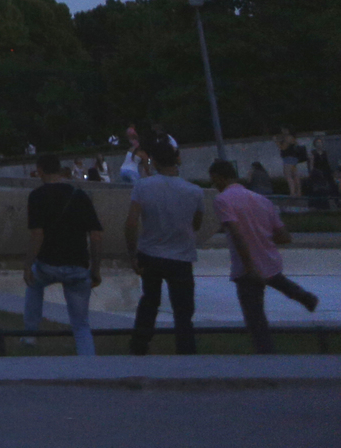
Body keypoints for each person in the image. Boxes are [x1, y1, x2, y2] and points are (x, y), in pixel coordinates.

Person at [208, 158, 320, 352]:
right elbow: (284, 237)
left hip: (246, 268)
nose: (213, 185)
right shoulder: (262, 200)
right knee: (275, 279)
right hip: (269, 260)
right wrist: (261, 237)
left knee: (255, 318)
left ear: (220, 178)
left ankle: (266, 357)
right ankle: (306, 298)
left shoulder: (222, 200)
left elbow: (236, 234)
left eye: (214, 180)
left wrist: (249, 266)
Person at [125, 143, 209, 356]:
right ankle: (186, 351)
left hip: (150, 253)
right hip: (181, 257)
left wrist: (132, 253)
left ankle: (139, 347)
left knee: (149, 301)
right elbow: (196, 224)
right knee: (183, 310)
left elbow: (131, 223)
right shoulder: (194, 191)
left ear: (154, 161)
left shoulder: (143, 186)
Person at [22, 152, 104, 356]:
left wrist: (27, 265)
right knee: (81, 325)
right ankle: (89, 364)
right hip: (77, 267)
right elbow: (95, 236)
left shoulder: (37, 196)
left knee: (33, 282)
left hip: (48, 265)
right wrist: (95, 270)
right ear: (60, 169)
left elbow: (37, 235)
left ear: (39, 170)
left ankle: (31, 333)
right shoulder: (79, 195)